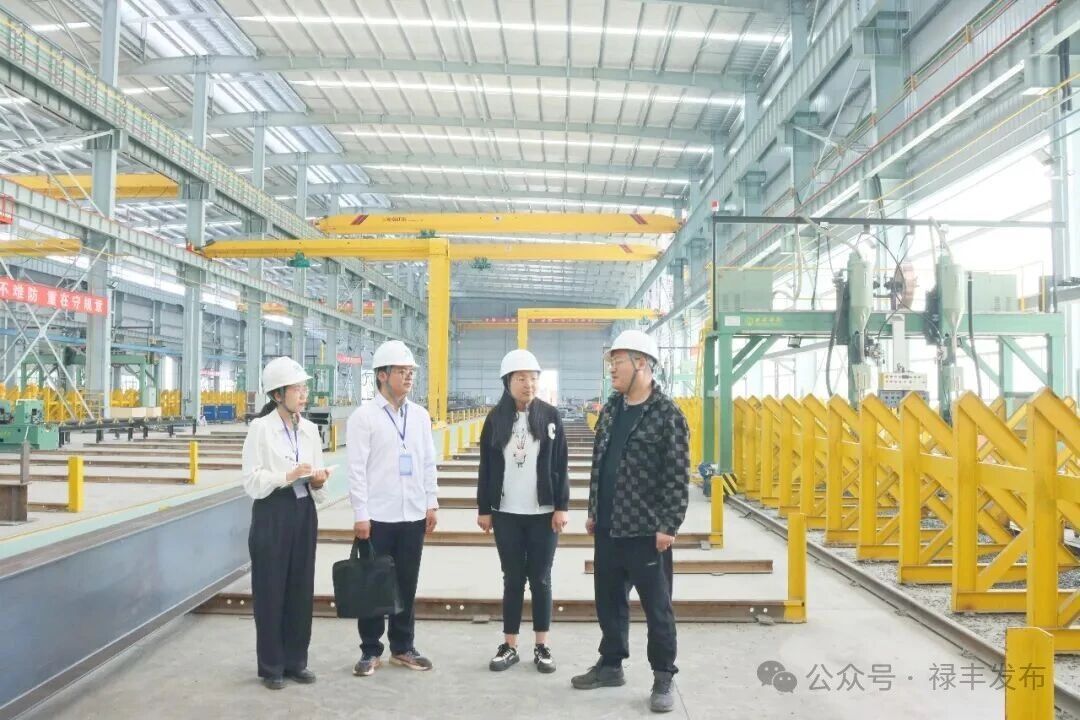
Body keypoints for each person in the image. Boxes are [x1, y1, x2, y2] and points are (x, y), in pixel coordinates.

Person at [571, 330, 690, 714]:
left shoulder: (667, 415)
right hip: (609, 527)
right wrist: (593, 510)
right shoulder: (611, 410)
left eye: (617, 362)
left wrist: (669, 525)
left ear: (641, 363)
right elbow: (599, 465)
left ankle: (663, 676)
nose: (612, 370)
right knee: (608, 601)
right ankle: (611, 665)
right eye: (611, 363)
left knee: (657, 608)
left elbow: (677, 475)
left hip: (646, 531)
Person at [347, 340, 438, 677]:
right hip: (378, 517)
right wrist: (361, 514)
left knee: (406, 584)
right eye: (402, 371)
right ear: (382, 375)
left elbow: (428, 462)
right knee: (374, 584)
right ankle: (370, 650)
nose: (409, 376)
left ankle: (403, 647)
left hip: (412, 514)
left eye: (411, 371)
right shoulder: (364, 417)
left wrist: (431, 502)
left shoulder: (420, 416)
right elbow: (356, 469)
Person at [241, 356, 333, 690]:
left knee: (300, 588)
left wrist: (318, 481)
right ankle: (272, 666)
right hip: (273, 512)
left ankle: (296, 661)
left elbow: (317, 480)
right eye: (297, 388)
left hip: (303, 511)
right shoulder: (261, 429)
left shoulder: (309, 430)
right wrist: (286, 476)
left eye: (305, 388)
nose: (304, 394)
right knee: (270, 589)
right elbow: (251, 480)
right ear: (278, 394)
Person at [476, 349, 570, 674]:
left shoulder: (550, 416)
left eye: (533, 378)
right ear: (507, 382)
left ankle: (542, 646)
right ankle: (510, 645)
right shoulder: (495, 419)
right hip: (506, 513)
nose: (528, 384)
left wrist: (561, 506)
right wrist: (484, 508)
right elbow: (486, 467)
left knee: (541, 579)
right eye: (521, 378)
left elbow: (561, 464)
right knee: (513, 578)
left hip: (543, 513)